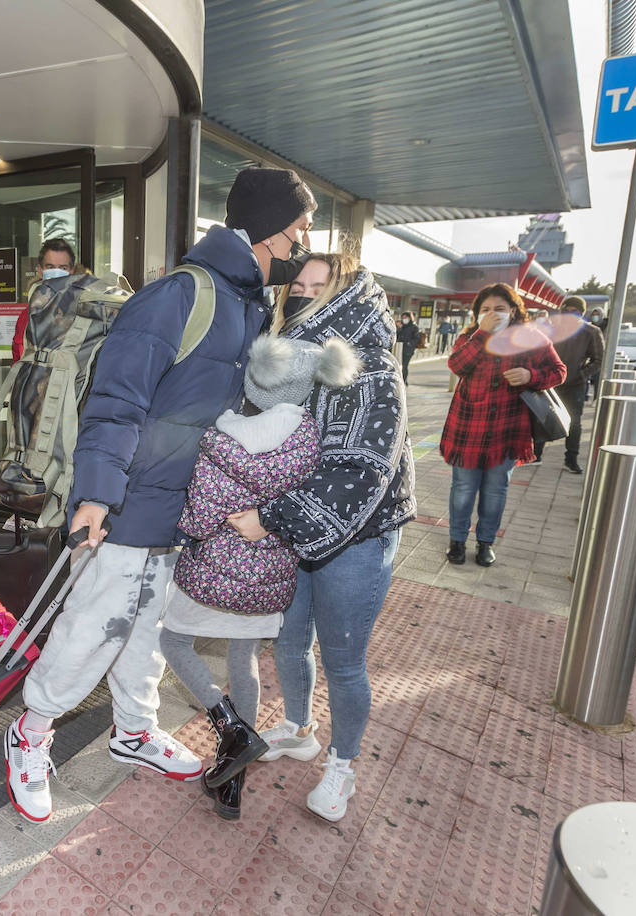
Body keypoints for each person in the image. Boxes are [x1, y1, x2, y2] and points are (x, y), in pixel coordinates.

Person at [5, 167, 316, 823]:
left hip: (182, 508)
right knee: (94, 626)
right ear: (266, 229)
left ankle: (134, 729)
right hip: (129, 502)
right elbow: (116, 399)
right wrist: (95, 494)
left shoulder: (250, 301)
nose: (305, 240)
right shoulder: (180, 295)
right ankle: (30, 731)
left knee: (148, 626)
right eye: (299, 227)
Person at [223, 250, 414, 824]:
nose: (304, 295)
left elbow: (360, 470)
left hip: (358, 537)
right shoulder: (300, 361)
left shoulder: (370, 366)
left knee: (344, 661)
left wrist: (272, 517)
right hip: (299, 525)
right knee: (288, 641)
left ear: (349, 291)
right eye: (297, 286)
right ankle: (298, 728)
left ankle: (342, 765)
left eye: (320, 285)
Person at [162, 333, 358, 819]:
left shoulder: (220, 438)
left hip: (209, 574)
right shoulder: (311, 442)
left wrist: (187, 526)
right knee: (243, 659)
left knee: (173, 642)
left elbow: (198, 517)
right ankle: (233, 781)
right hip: (267, 584)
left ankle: (228, 723)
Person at [442, 284, 565, 568]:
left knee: (496, 489)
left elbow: (559, 371)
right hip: (468, 426)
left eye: (499, 308)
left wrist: (530, 375)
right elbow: (457, 365)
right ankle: (457, 541)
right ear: (477, 313)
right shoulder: (470, 337)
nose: (493, 314)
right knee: (462, 488)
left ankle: (486, 543)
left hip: (508, 427)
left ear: (514, 310)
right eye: (485, 309)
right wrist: (483, 332)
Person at [533, 296, 603, 473]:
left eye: (576, 311)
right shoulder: (550, 329)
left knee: (574, 423)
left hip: (574, 384)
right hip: (549, 382)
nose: (571, 314)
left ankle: (571, 459)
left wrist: (581, 375)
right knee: (542, 417)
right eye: (567, 310)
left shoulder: (591, 332)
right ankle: (536, 455)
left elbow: (598, 360)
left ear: (582, 313)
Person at [12, 238, 79, 362]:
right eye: (50, 267)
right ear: (40, 270)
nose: (56, 272)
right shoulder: (26, 316)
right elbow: (18, 360)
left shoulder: (84, 310)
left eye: (63, 268)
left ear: (72, 271)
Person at [396, 311, 420, 383]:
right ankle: (399, 380)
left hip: (408, 350)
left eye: (406, 318)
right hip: (399, 348)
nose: (404, 319)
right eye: (403, 318)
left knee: (405, 365)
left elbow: (416, 338)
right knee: (398, 365)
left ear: (410, 318)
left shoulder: (414, 327)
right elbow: (397, 336)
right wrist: (399, 328)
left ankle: (404, 380)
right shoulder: (402, 326)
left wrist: (409, 343)